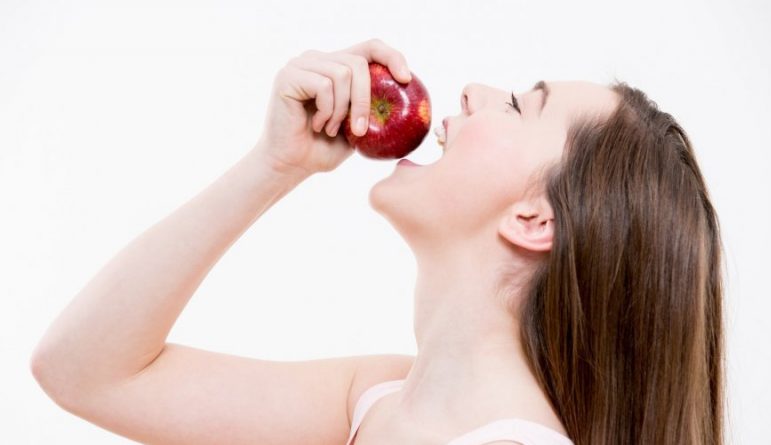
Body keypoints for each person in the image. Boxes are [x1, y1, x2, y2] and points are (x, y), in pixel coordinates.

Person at [30, 38, 725, 445]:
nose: (475, 91)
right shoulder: (375, 400)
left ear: (534, 219)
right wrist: (275, 166)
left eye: (518, 105)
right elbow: (84, 370)